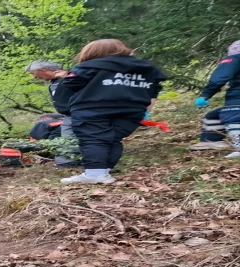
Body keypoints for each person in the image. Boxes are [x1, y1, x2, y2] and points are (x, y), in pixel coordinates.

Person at [61, 39, 167, 184]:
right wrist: (146, 111)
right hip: (132, 111)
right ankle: (103, 173)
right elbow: (154, 90)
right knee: (112, 139)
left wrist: (65, 77)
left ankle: (94, 174)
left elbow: (71, 84)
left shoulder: (89, 66)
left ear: (91, 52)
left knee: (93, 139)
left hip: (92, 109)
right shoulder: (146, 68)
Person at [26, 61, 81, 168]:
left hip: (79, 114)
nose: (35, 77)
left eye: (33, 74)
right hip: (68, 115)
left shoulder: (69, 77)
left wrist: (68, 77)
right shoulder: (53, 83)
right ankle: (69, 162)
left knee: (71, 138)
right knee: (69, 137)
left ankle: (68, 163)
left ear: (42, 70)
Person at [194, 40, 240, 158]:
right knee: (213, 115)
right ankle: (211, 141)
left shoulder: (234, 59)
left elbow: (219, 78)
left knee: (233, 114)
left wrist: (205, 95)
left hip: (237, 100)